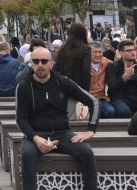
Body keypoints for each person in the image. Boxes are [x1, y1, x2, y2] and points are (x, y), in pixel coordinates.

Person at [16, 46, 100, 190]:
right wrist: (35, 138)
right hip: (35, 135)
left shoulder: (62, 82)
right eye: (36, 61)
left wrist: (90, 130)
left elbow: (94, 102)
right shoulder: (24, 86)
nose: (40, 65)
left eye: (44, 61)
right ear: (31, 62)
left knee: (86, 152)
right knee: (27, 155)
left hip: (62, 134)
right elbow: (21, 119)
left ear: (52, 63)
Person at [56, 24, 93, 117]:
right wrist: (86, 91)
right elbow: (86, 71)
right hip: (79, 88)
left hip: (64, 88)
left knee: (67, 116)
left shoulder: (63, 49)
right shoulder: (86, 49)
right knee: (79, 117)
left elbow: (55, 69)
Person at [88, 42, 114, 118]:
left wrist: (136, 60)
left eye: (100, 52)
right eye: (95, 52)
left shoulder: (105, 61)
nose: (98, 55)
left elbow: (119, 64)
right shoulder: (83, 64)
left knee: (111, 111)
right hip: (88, 98)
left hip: (101, 98)